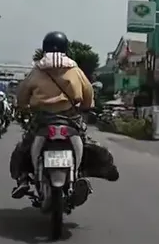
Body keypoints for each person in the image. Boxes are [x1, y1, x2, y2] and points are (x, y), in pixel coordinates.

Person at [10, 31, 97, 198]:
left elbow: (22, 93)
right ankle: (80, 175)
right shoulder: (75, 69)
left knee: (24, 147)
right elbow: (88, 91)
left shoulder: (37, 70)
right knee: (87, 144)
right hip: (71, 118)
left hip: (42, 119)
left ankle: (23, 179)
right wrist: (87, 106)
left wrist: (23, 107)